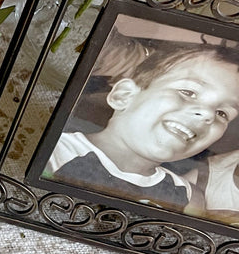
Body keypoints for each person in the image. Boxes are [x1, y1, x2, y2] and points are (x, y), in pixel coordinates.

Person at [45, 42, 239, 212]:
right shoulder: (51, 152)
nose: (207, 114)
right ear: (124, 95)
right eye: (188, 92)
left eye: (222, 113)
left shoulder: (190, 199)